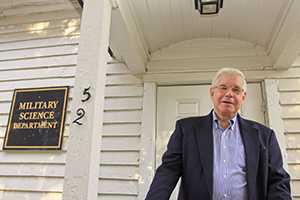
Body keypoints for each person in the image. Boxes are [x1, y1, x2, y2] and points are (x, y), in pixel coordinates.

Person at [145, 68, 291, 200]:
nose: (229, 93)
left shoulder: (265, 135)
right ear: (212, 93)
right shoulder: (186, 129)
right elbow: (168, 171)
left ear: (243, 97)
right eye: (223, 87)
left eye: (236, 89)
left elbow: (278, 180)